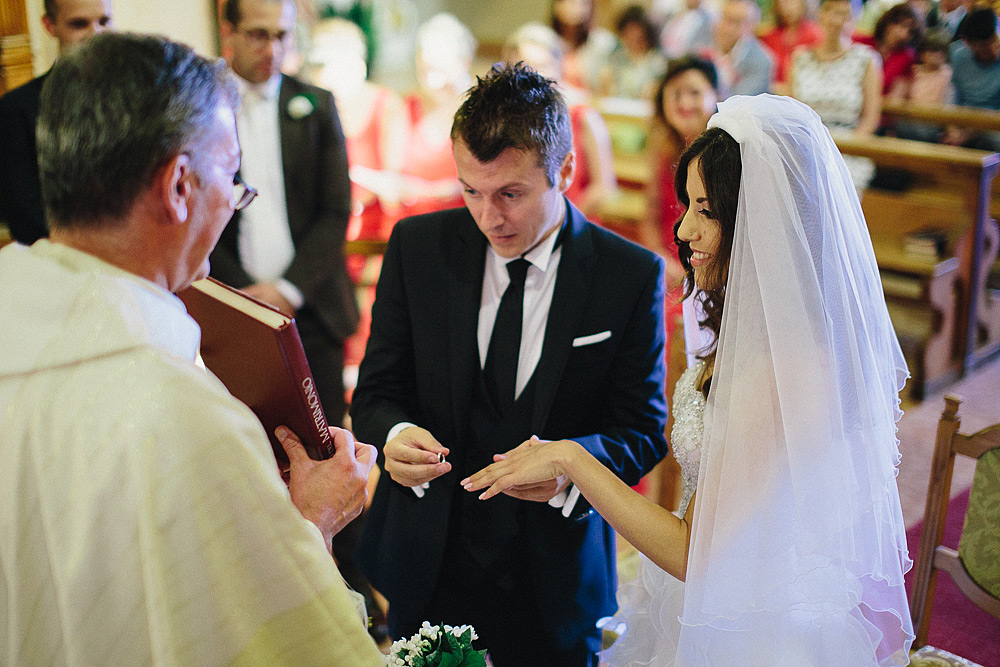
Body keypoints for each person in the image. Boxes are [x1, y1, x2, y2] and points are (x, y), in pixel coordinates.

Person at [465, 93, 915, 666]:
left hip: (754, 622)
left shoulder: (789, 367)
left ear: (761, 219)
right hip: (718, 596)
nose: (683, 228)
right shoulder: (760, 329)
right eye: (687, 206)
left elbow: (693, 552)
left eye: (707, 211)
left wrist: (571, 460)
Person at [0, 32, 384, 665]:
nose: (234, 201)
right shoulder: (184, 417)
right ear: (179, 185)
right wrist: (313, 521)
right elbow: (269, 641)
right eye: (231, 177)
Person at [351, 62, 669, 667]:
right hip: (428, 556)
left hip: (553, 572)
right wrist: (392, 436)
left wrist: (576, 470)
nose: (488, 216)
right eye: (470, 190)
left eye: (511, 194)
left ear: (566, 172)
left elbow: (642, 430)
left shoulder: (627, 276)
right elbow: (376, 392)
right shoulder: (417, 248)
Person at [213, 0, 358, 429]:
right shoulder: (201, 108)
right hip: (236, 311)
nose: (272, 49)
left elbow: (336, 210)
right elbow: (196, 214)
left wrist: (288, 290)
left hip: (313, 307)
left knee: (328, 442)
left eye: (282, 35)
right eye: (259, 34)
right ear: (229, 34)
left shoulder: (315, 104)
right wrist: (246, 295)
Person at [0, 0, 113, 246]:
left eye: (104, 22)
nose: (96, 35)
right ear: (50, 26)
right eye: (79, 24)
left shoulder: (140, 99)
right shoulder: (17, 110)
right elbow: (25, 217)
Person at [504, 22, 619, 220]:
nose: (534, 75)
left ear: (559, 66)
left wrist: (562, 221)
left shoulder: (583, 116)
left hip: (573, 223)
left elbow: (604, 187)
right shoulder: (508, 118)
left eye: (543, 65)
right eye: (525, 67)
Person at [790, 0, 882, 190]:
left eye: (844, 14)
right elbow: (791, 111)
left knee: (838, 182)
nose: (836, 20)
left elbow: (871, 118)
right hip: (807, 145)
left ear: (854, 19)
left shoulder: (866, 59)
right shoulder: (800, 57)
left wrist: (841, 149)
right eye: (830, 12)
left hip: (848, 148)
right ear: (820, 14)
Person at [944, 7, 1000, 151]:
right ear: (968, 43)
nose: (994, 49)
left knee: (993, 141)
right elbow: (951, 95)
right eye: (984, 46)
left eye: (995, 40)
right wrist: (952, 129)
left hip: (992, 124)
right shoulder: (957, 54)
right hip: (962, 119)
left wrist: (966, 135)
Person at [700, 0, 774, 97]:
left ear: (751, 27)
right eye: (724, 19)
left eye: (736, 22)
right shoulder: (704, 47)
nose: (727, 28)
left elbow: (738, 102)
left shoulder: (761, 61)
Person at [598, 5, 669, 100]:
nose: (633, 36)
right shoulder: (617, 58)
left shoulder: (658, 62)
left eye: (638, 32)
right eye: (628, 32)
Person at [854, 3, 922, 95]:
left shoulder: (907, 58)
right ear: (887, 22)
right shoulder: (861, 42)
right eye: (900, 24)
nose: (903, 34)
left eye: (910, 31)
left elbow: (896, 97)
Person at [551, 0, 618, 93]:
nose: (571, 7)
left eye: (579, 2)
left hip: (590, 103)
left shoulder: (603, 43)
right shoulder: (546, 39)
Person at [760, 0, 823, 93]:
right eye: (783, 2)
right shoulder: (768, 37)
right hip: (772, 95)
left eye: (792, 2)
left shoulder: (815, 36)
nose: (788, 7)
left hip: (804, 95)